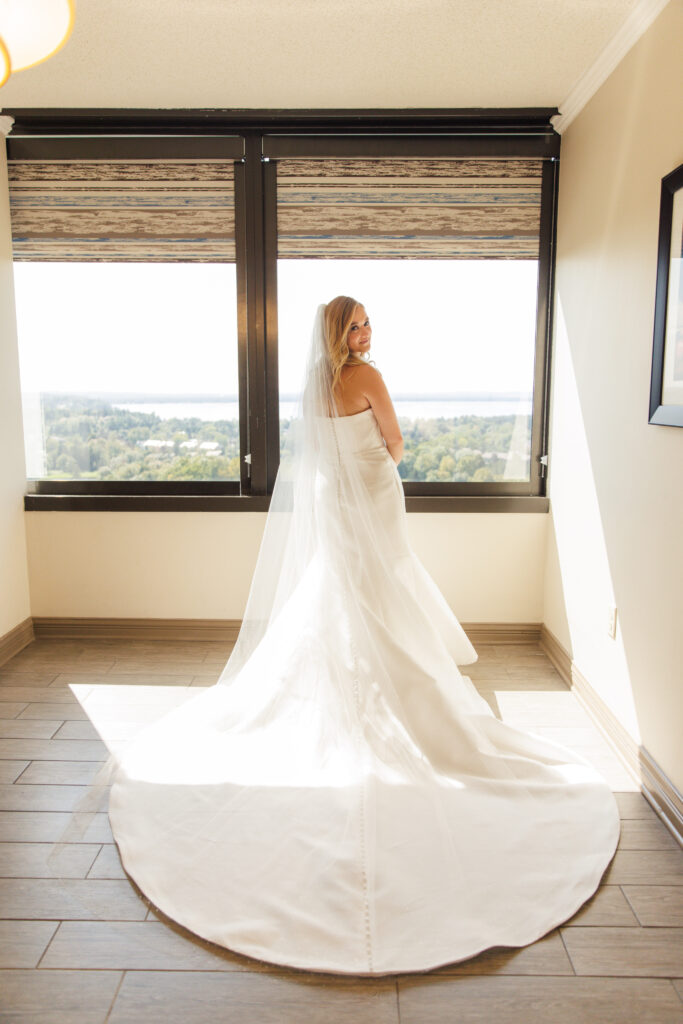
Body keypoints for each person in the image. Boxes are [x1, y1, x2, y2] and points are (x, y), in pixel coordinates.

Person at [107, 296, 621, 976]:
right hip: (373, 497)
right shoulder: (367, 378)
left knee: (341, 590)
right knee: (379, 590)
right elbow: (396, 442)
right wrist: (384, 446)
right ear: (341, 333)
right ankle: (391, 697)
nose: (367, 332)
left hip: (332, 501)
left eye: (367, 323)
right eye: (357, 324)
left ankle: (343, 683)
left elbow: (316, 451)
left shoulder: (316, 384)